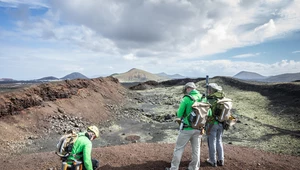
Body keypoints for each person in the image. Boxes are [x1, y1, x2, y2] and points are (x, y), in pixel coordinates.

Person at [166, 82, 207, 170]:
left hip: (186, 128)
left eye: (186, 90)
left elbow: (179, 114)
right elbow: (209, 113)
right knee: (196, 150)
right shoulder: (203, 98)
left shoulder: (186, 99)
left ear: (188, 89)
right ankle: (194, 168)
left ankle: (174, 168)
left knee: (179, 148)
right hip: (199, 128)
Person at [205, 83, 225, 167]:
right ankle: (221, 160)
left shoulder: (210, 100)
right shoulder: (222, 98)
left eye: (209, 89)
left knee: (211, 141)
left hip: (212, 124)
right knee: (219, 140)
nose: (208, 91)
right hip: (221, 123)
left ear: (211, 90)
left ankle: (212, 161)